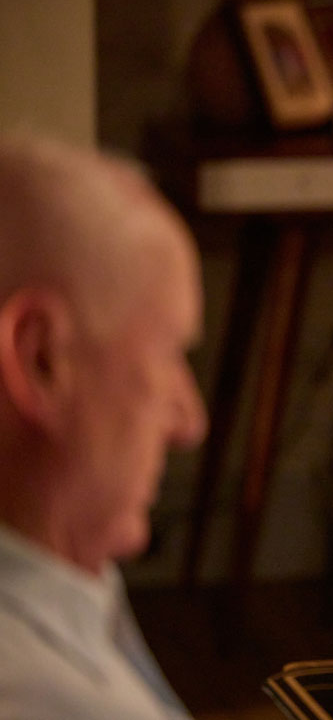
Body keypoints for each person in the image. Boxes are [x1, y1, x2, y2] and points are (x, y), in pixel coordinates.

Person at [0, 134, 206, 718]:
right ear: (42, 360)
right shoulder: (43, 698)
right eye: (167, 357)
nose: (189, 423)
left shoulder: (62, 580)